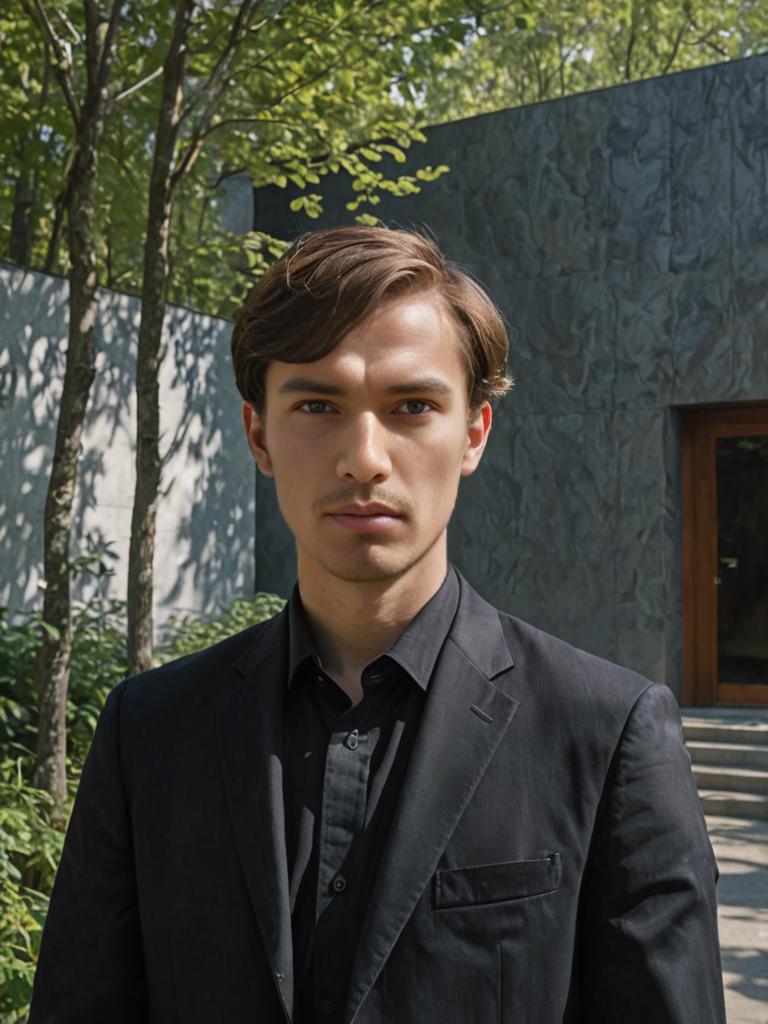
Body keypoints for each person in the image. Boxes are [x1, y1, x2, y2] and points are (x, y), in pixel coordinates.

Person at [30, 226, 726, 1024]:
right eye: (319, 404)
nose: (365, 457)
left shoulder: (606, 737)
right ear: (259, 433)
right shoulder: (147, 733)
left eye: (412, 406)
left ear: (473, 434)